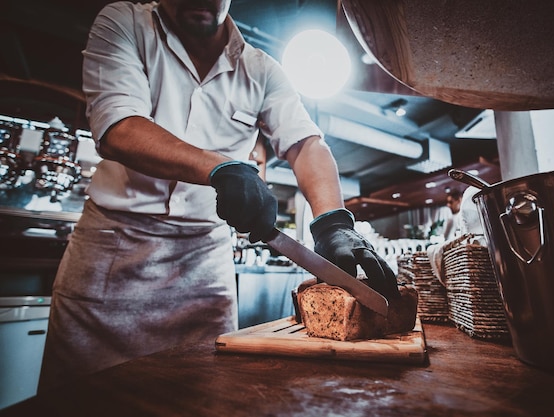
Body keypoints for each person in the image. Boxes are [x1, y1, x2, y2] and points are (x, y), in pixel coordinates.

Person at [38, 0, 400, 391]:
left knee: (205, 394)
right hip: (112, 254)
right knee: (79, 397)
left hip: (204, 265)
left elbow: (306, 145)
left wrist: (332, 221)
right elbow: (119, 126)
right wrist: (221, 167)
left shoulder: (262, 69)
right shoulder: (125, 22)